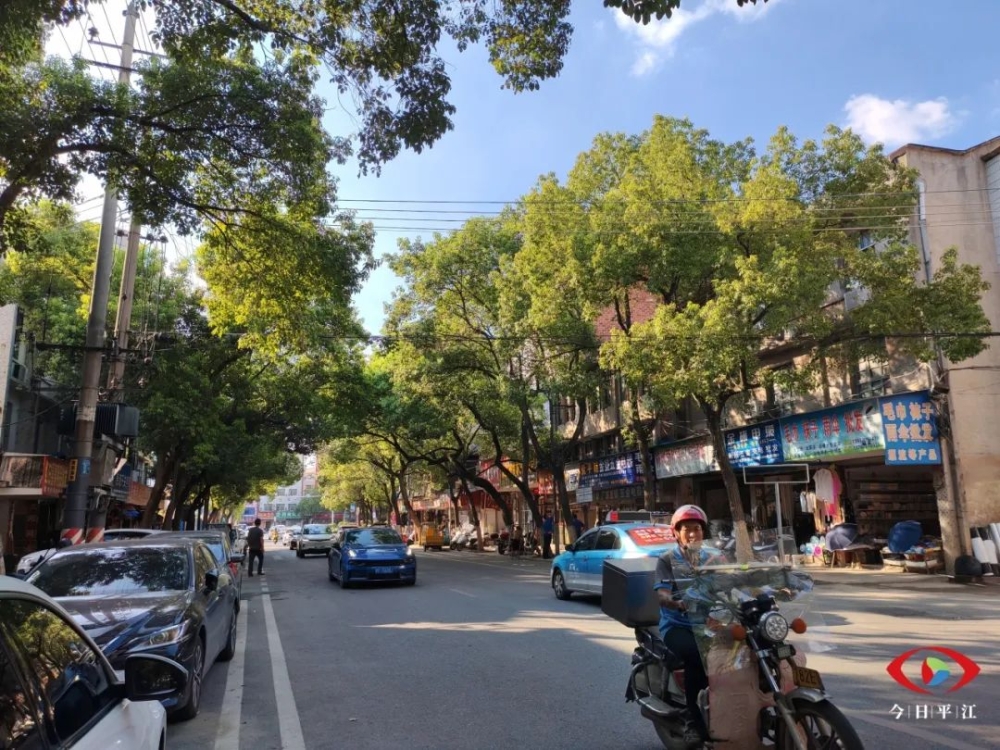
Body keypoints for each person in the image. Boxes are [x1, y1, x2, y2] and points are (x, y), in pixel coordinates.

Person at [653, 504, 717, 747]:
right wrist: (676, 603)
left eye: (697, 528)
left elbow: (732, 578)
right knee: (698, 655)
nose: (692, 533)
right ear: (676, 533)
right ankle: (694, 720)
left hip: (709, 622)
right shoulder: (667, 560)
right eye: (687, 529)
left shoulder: (713, 557)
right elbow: (662, 594)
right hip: (678, 625)